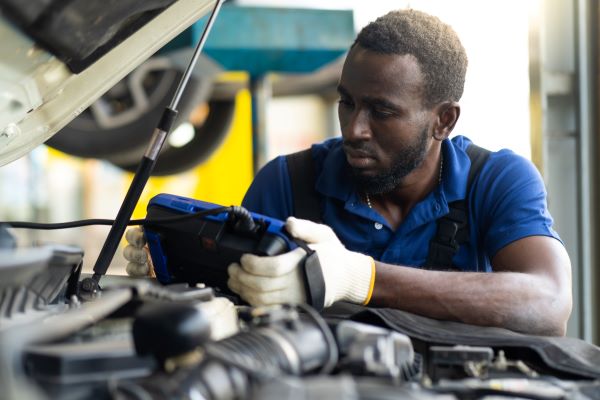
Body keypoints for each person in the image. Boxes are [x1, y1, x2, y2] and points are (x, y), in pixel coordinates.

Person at [125, 9, 572, 336]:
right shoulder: (287, 183)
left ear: (443, 121)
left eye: (381, 111)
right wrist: (176, 274)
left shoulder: (495, 181)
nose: (355, 129)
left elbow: (548, 304)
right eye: (347, 102)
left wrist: (360, 279)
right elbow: (232, 306)